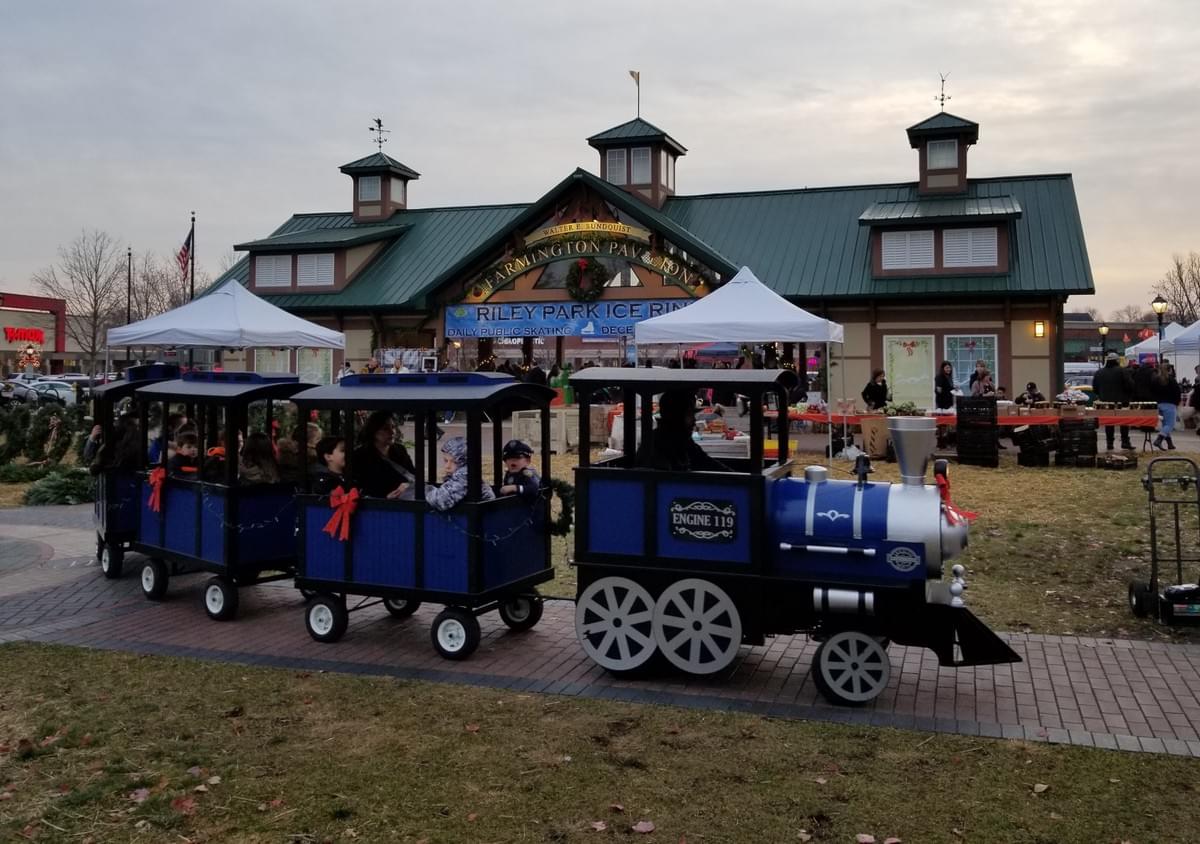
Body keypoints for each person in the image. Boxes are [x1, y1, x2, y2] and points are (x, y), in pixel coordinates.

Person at [635, 390, 730, 472]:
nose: (694, 421)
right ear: (677, 417)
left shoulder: (683, 440)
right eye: (689, 415)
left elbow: (705, 462)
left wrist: (734, 477)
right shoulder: (657, 443)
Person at [353, 410, 416, 499]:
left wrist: (408, 485)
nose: (392, 432)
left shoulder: (400, 450)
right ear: (374, 431)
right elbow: (358, 488)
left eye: (393, 427)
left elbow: (413, 475)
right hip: (377, 508)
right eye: (385, 429)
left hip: (403, 503)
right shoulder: (360, 455)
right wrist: (384, 498)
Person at [426, 436, 495, 511]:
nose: (447, 466)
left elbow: (441, 501)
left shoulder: (465, 475)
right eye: (445, 461)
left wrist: (423, 490)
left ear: (463, 461)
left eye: (454, 462)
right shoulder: (462, 474)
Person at [1092, 352, 1134, 450]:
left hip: (1106, 402)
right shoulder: (1122, 371)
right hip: (1122, 402)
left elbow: (1095, 388)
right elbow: (1130, 385)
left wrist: (1102, 395)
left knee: (1109, 423)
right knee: (1124, 422)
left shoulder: (1099, 372)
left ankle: (1109, 443)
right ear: (1117, 361)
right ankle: (1125, 442)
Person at [498, 439, 541, 505]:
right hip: (513, 508)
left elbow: (535, 488)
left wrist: (515, 488)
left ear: (528, 461)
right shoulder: (508, 474)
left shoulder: (527, 473)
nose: (513, 460)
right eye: (508, 458)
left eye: (518, 457)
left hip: (529, 510)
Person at [1153, 363, 1182, 451]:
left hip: (1159, 404)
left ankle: (1170, 444)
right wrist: (1177, 402)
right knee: (1170, 425)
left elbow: (1152, 391)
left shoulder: (1156, 380)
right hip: (1170, 404)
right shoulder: (1171, 380)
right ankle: (1159, 439)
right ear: (1169, 370)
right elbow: (1177, 392)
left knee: (1165, 424)